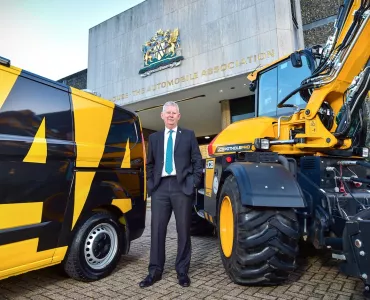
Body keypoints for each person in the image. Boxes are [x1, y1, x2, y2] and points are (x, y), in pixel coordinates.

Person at [139, 101, 203, 288]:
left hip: (181, 186)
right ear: (162, 115)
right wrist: (151, 184)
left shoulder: (189, 135)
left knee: (183, 231)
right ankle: (155, 271)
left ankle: (182, 272)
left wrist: (192, 184)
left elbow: (197, 162)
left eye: (174, 113)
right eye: (167, 112)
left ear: (179, 116)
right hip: (160, 188)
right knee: (157, 230)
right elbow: (149, 164)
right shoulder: (155, 138)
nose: (170, 115)